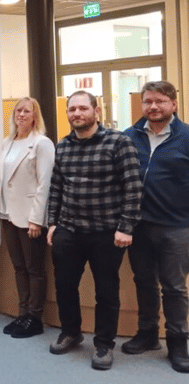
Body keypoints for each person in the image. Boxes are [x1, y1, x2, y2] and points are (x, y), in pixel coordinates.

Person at [46, 90, 142, 371]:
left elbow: (133, 188)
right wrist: (53, 222)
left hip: (106, 233)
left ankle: (103, 344)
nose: (77, 114)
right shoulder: (62, 146)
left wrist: (126, 227)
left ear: (96, 111)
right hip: (69, 231)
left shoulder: (118, 143)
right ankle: (71, 332)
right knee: (64, 286)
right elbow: (56, 189)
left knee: (107, 291)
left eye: (82, 109)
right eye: (71, 109)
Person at [122, 81, 189, 373]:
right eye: (148, 101)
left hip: (176, 226)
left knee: (174, 287)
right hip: (139, 225)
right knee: (144, 281)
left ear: (173, 104)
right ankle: (148, 334)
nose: (153, 107)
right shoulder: (129, 136)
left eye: (160, 101)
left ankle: (178, 343)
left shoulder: (186, 136)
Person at [0, 97, 54, 338]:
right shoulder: (7, 143)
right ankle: (22, 315)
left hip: (30, 216)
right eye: (18, 110)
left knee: (34, 269)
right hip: (8, 215)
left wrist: (36, 219)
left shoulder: (42, 144)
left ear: (35, 116)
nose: (21, 114)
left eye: (26, 111)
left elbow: (45, 184)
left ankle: (35, 317)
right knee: (19, 267)